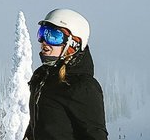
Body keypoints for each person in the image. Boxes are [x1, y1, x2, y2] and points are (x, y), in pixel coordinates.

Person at [25, 8, 108, 140]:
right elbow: (39, 125)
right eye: (42, 33)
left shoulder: (82, 87)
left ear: (74, 43)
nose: (44, 42)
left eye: (54, 36)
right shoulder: (42, 77)